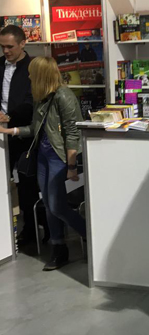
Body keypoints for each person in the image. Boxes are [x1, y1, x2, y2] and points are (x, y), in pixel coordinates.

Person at [0, 57, 86, 271]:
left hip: (59, 157)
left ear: (41, 75)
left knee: (56, 205)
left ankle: (89, 233)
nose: (28, 77)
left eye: (32, 73)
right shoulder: (42, 97)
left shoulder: (63, 96)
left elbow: (73, 133)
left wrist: (72, 167)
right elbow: (34, 128)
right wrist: (10, 130)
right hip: (44, 157)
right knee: (49, 204)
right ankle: (58, 247)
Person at [0, 24, 40, 245]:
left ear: (23, 43)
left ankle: (31, 232)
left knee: (27, 185)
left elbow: (31, 102)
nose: (6, 51)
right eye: (2, 47)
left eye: (10, 47)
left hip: (25, 134)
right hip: (1, 133)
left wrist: (9, 117)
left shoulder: (33, 68)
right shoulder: (0, 65)